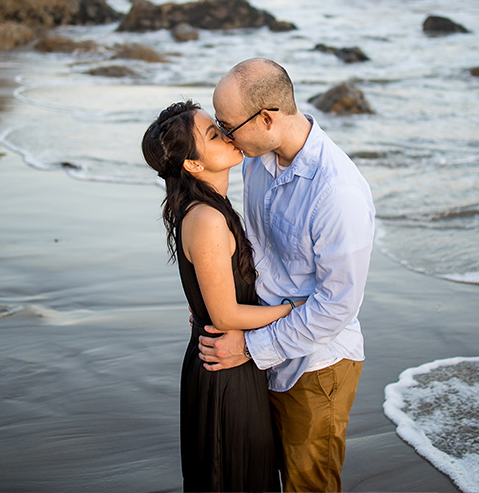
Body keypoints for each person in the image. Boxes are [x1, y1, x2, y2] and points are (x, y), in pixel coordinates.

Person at [199, 58, 376, 492]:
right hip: (262, 349)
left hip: (316, 367)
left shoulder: (337, 194)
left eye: (227, 125)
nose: (224, 136)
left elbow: (337, 306)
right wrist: (225, 303)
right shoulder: (257, 158)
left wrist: (251, 347)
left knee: (307, 486)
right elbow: (259, 249)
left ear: (266, 118)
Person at [142, 100, 301, 493]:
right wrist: (293, 308)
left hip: (226, 359)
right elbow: (227, 314)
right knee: (232, 476)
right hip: (223, 370)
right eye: (214, 135)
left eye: (219, 126)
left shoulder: (211, 209)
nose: (227, 134)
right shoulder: (208, 218)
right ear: (194, 165)